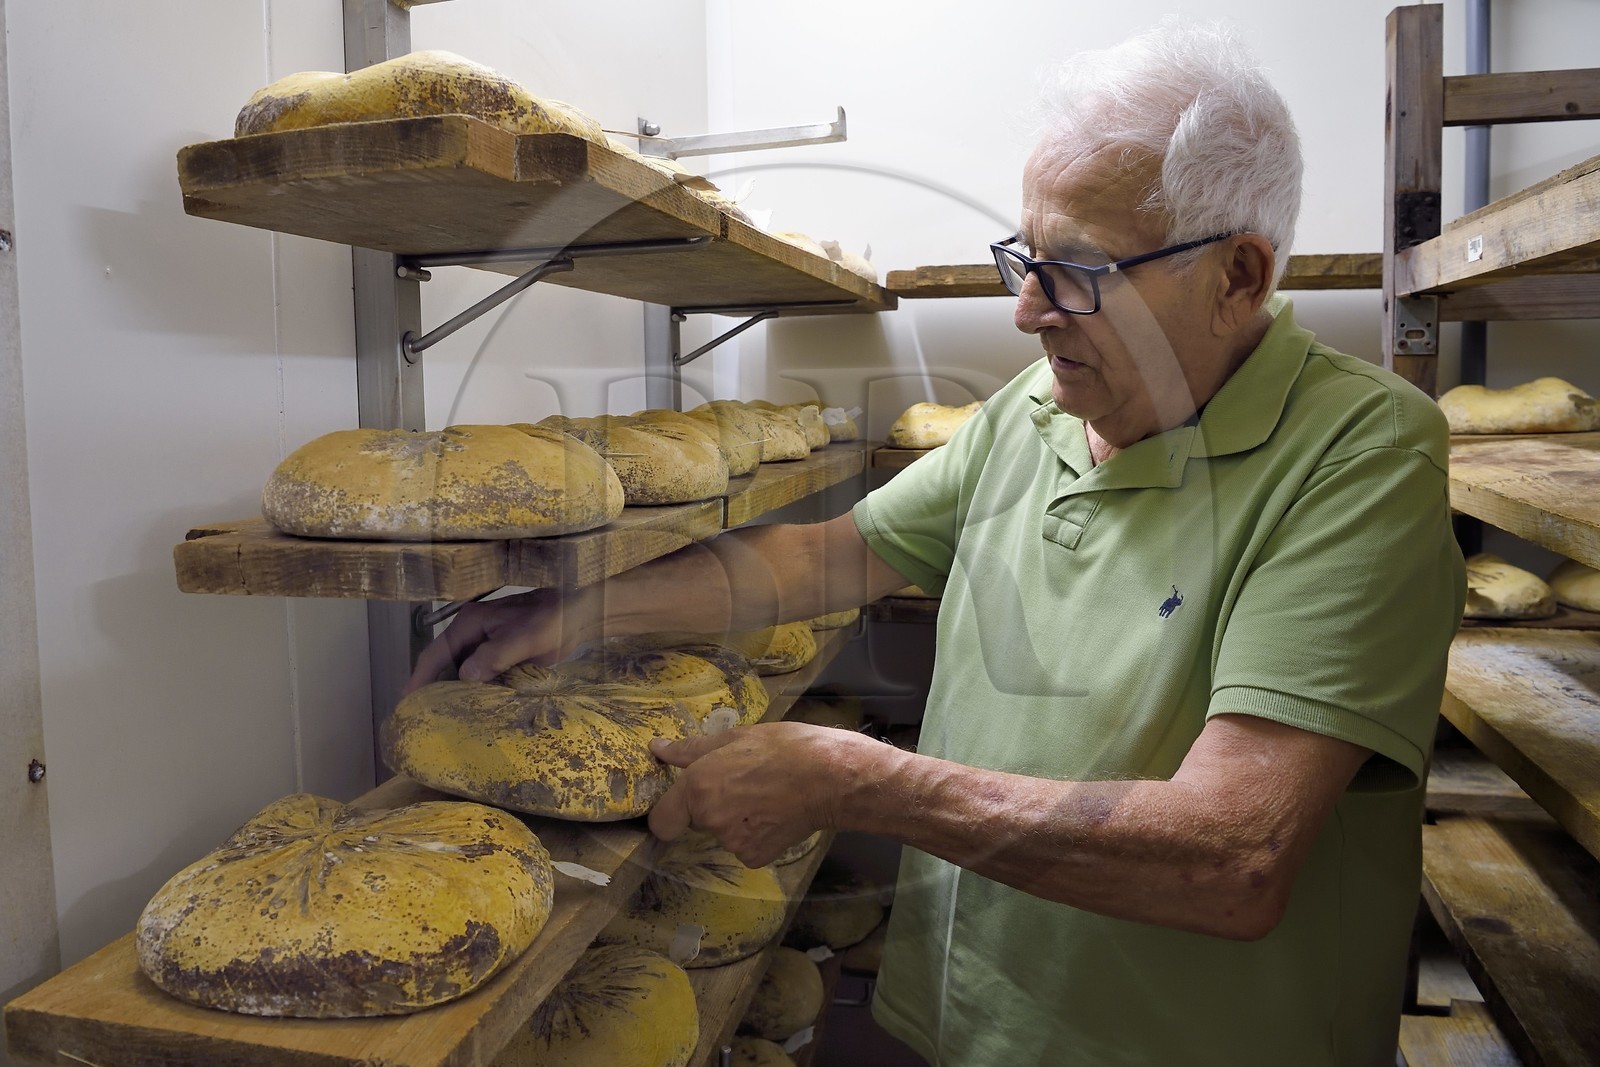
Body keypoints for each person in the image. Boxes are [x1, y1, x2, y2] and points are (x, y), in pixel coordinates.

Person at [408, 20, 1465, 1066]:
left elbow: (1230, 857)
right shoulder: (1034, 413)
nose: (1025, 312)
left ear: (1238, 275)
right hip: (976, 1016)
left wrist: (854, 780)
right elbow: (825, 559)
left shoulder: (1359, 456)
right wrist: (577, 611)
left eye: (1080, 270)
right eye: (1025, 258)